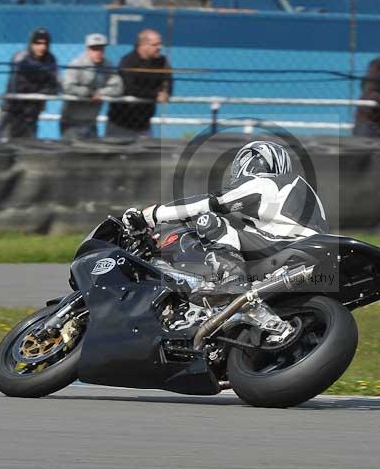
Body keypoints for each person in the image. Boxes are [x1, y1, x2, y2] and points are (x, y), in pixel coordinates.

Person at [121, 141, 327, 300]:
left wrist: (152, 215)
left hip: (284, 246)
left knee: (209, 220)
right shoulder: (299, 189)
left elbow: (210, 203)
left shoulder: (265, 182)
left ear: (251, 162)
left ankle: (231, 281)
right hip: (306, 250)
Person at [106, 29, 173, 138]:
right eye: (155, 45)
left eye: (160, 44)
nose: (159, 47)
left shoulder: (162, 62)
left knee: (146, 154)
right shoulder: (128, 61)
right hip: (120, 124)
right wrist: (155, 95)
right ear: (143, 45)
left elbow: (168, 82)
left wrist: (166, 93)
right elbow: (129, 88)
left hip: (144, 125)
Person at [0, 28, 59, 140]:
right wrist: (38, 88)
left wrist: (38, 91)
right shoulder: (21, 58)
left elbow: (54, 87)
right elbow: (17, 87)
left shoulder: (50, 60)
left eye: (45, 44)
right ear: (31, 44)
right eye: (38, 43)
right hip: (12, 111)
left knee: (27, 147)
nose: (42, 47)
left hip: (33, 113)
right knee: (5, 144)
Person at [60, 33, 124, 139]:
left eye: (101, 49)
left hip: (91, 122)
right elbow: (67, 86)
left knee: (92, 154)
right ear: (88, 49)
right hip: (71, 121)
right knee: (71, 154)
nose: (98, 52)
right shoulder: (77, 64)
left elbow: (118, 87)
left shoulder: (107, 65)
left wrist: (100, 93)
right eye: (94, 49)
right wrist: (88, 93)